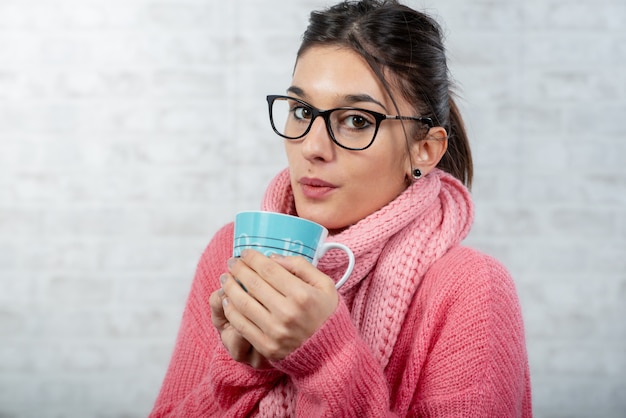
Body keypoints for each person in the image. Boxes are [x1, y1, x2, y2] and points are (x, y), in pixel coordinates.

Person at [149, 0, 532, 416]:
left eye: (356, 120)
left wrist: (325, 359)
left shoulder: (471, 289)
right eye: (302, 111)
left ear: (424, 150)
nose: (312, 147)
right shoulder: (232, 253)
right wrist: (243, 369)